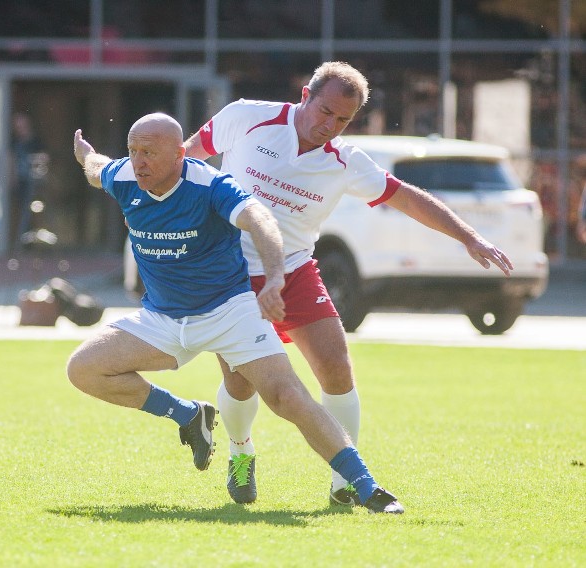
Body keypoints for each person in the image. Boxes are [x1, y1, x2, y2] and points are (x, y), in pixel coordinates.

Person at [185, 61, 514, 505]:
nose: (329, 126)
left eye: (342, 120)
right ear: (305, 95)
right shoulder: (247, 116)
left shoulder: (344, 161)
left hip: (295, 270)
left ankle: (345, 484)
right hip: (230, 274)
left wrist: (470, 237)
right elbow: (185, 159)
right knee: (242, 382)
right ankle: (240, 452)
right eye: (324, 112)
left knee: (337, 368)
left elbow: (407, 197)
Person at [68, 112, 404, 514]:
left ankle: (367, 487)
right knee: (83, 369)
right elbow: (96, 170)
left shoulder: (210, 185)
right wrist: (85, 154)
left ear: (179, 154)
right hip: (163, 318)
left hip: (229, 312)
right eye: (133, 151)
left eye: (149, 153)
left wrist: (276, 277)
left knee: (287, 396)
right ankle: (188, 415)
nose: (138, 162)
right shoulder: (124, 177)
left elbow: (260, 220)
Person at [9, 112, 48, 249]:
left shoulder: (36, 141)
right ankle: (21, 242)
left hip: (35, 182)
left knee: (35, 211)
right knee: (21, 212)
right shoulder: (15, 142)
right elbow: (11, 160)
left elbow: (43, 159)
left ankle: (34, 243)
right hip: (20, 182)